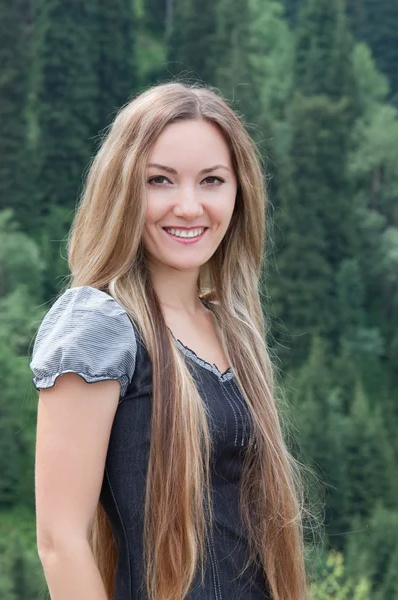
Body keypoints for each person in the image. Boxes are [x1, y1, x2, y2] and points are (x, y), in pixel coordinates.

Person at [30, 82, 307, 600]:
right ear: (122, 188)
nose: (188, 206)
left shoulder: (232, 327)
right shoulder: (99, 324)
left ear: (238, 192)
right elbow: (59, 540)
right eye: (159, 180)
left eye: (211, 181)